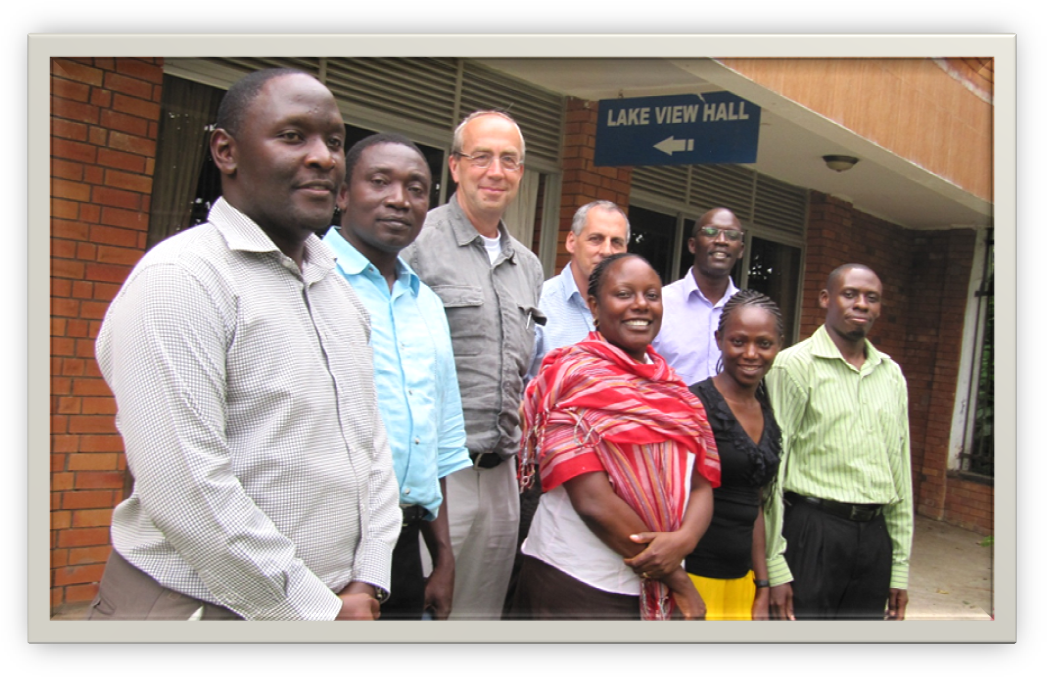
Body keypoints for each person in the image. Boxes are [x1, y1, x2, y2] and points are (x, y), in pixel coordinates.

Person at [88, 69, 401, 621]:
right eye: (292, 136)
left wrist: (368, 577)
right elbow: (185, 486)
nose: (325, 158)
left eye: (333, 141)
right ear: (226, 152)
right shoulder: (183, 279)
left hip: (336, 601)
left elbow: (371, 446)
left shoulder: (335, 288)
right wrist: (315, 610)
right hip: (199, 605)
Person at [513, 253, 721, 620]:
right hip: (576, 583)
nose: (640, 305)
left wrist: (684, 541)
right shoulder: (570, 378)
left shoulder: (678, 393)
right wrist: (678, 581)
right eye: (624, 294)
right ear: (594, 305)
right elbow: (593, 501)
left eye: (652, 295)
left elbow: (701, 484)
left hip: (653, 588)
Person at [402, 110, 545, 619]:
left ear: (521, 173)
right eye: (481, 156)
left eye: (509, 160)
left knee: (480, 615)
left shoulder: (527, 266)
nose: (495, 170)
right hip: (438, 478)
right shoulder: (414, 246)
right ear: (456, 166)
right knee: (421, 611)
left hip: (502, 474)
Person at [322, 133, 471, 620]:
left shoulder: (426, 302)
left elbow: (441, 441)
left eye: (416, 188)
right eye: (379, 181)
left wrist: (443, 555)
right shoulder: (309, 279)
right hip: (322, 543)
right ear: (342, 193)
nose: (398, 200)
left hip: (405, 546)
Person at [765, 264, 914, 620]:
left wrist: (899, 567)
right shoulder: (793, 366)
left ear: (879, 308)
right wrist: (775, 564)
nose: (860, 304)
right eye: (850, 294)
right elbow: (773, 471)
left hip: (875, 538)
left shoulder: (891, 374)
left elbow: (900, 470)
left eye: (871, 298)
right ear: (825, 299)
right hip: (813, 531)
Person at [684, 290, 784, 621]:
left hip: (741, 582)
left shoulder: (766, 411)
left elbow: (753, 503)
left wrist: (763, 583)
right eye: (739, 341)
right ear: (719, 339)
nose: (751, 354)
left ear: (778, 345)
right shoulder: (693, 405)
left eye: (764, 344)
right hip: (693, 579)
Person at [529, 200, 630, 377]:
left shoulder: (632, 312)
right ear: (571, 242)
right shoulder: (539, 305)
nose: (606, 250)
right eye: (595, 239)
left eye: (616, 242)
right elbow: (512, 389)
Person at [653, 207, 745, 386]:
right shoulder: (658, 304)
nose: (721, 241)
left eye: (732, 235)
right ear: (692, 245)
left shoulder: (746, 310)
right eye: (711, 232)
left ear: (740, 250)